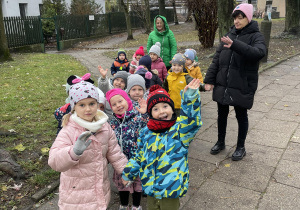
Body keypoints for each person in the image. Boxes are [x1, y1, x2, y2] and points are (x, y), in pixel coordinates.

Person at [121, 79, 202, 210]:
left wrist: (190, 98)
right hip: (150, 187)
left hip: (170, 190)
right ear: (150, 113)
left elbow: (192, 122)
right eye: (156, 109)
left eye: (165, 106)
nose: (161, 111)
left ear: (172, 108)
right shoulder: (145, 133)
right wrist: (128, 173)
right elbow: (139, 155)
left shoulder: (180, 131)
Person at [48, 80, 128, 209]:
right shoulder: (69, 130)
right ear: (74, 106)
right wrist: (73, 152)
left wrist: (125, 172)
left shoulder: (104, 126)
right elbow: (54, 161)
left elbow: (115, 152)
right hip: (75, 197)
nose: (88, 109)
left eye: (92, 103)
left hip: (99, 191)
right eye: (82, 105)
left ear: (98, 103)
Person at [204, 3, 266, 161]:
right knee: (222, 114)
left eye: (241, 18)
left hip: (242, 84)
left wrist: (235, 45)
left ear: (248, 18)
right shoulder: (228, 34)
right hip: (223, 83)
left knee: (241, 115)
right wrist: (209, 80)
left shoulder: (256, 36)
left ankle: (240, 147)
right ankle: (220, 142)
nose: (237, 21)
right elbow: (217, 60)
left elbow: (259, 53)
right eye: (235, 18)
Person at [106, 88, 148, 210]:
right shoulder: (112, 123)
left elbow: (147, 128)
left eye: (120, 101)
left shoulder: (138, 117)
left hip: (137, 161)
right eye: (114, 104)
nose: (118, 105)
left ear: (127, 100)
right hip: (121, 162)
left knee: (137, 186)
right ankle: (124, 205)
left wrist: (144, 114)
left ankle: (136, 205)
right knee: (122, 186)